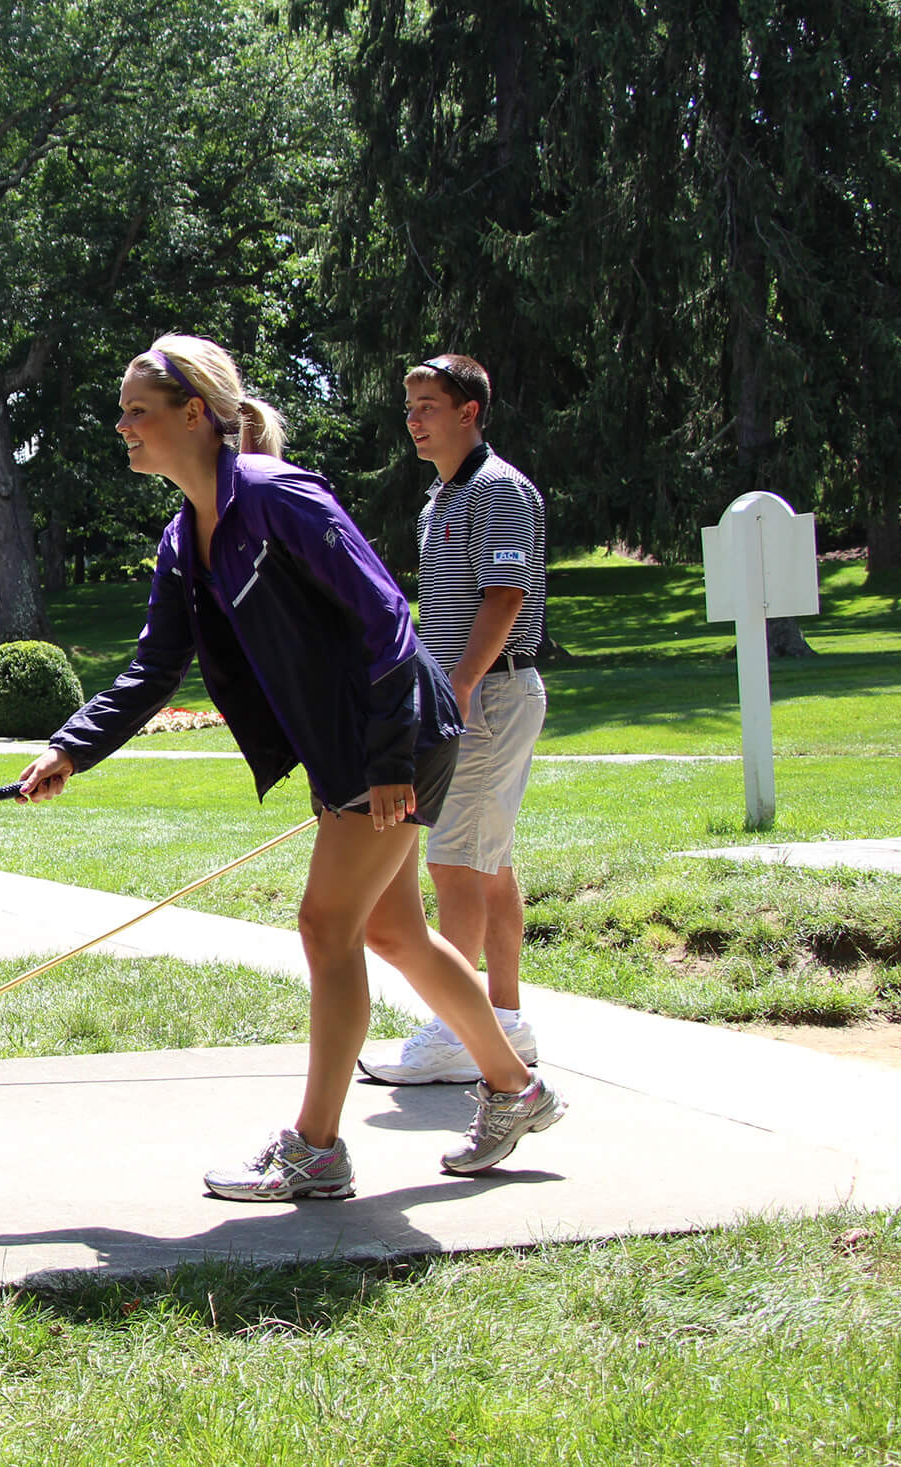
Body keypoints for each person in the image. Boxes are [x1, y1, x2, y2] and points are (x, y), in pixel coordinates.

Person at [16, 334, 565, 1201]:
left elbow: (385, 615)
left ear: (193, 413)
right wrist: (71, 747)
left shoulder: (278, 496)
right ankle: (515, 1087)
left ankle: (317, 1149)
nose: (122, 425)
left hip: (394, 734)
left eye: (137, 410)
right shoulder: (180, 538)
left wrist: (386, 759)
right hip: (353, 745)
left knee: (325, 926)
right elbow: (154, 668)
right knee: (390, 932)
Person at [357, 355, 550, 1087]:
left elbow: (505, 596)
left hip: (491, 694)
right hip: (465, 694)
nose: (414, 418)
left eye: (429, 405)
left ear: (469, 412)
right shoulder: (437, 503)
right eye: (409, 406)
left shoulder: (499, 490)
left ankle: (456, 1034)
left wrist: (461, 687)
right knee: (488, 858)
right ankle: (502, 1019)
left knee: (454, 859)